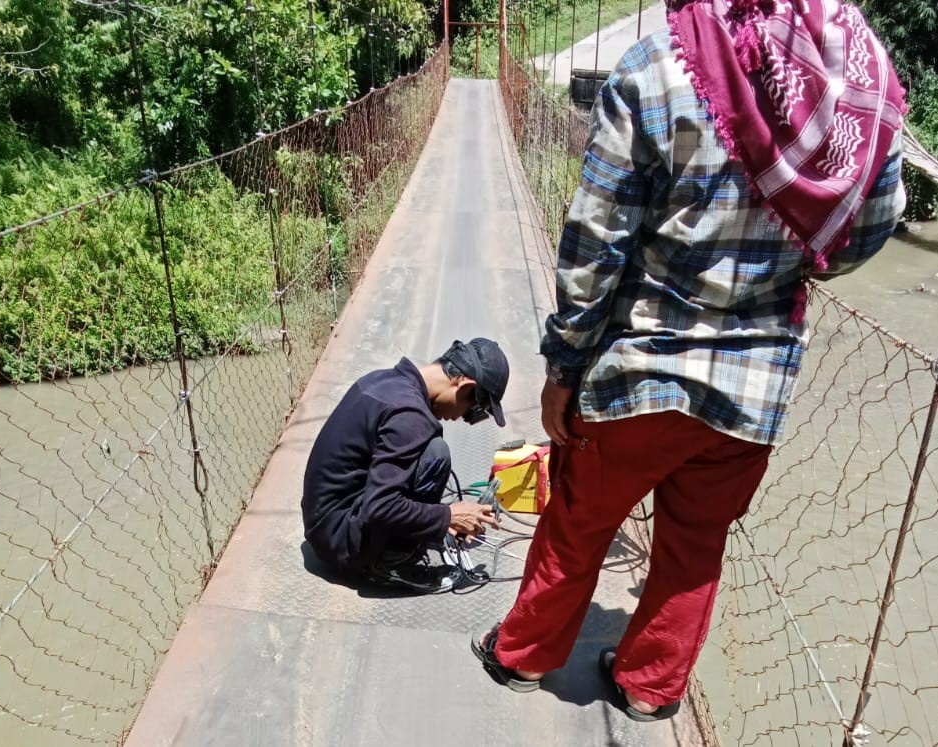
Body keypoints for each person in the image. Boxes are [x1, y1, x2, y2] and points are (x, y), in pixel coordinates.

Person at [472, 0, 906, 720]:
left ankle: (522, 655)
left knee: (578, 518)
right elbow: (869, 225)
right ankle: (648, 687)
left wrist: (563, 364)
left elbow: (594, 240)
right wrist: (795, 263)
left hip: (638, 371)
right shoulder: (853, 82)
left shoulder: (657, 69)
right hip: (750, 389)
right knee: (694, 543)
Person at [302, 338, 508, 594]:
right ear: (464, 385)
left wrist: (439, 519)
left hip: (323, 525)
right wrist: (448, 516)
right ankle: (388, 562)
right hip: (342, 544)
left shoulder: (386, 381)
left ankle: (390, 545)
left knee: (432, 454)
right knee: (436, 455)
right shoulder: (409, 416)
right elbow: (380, 507)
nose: (464, 419)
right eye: (474, 410)